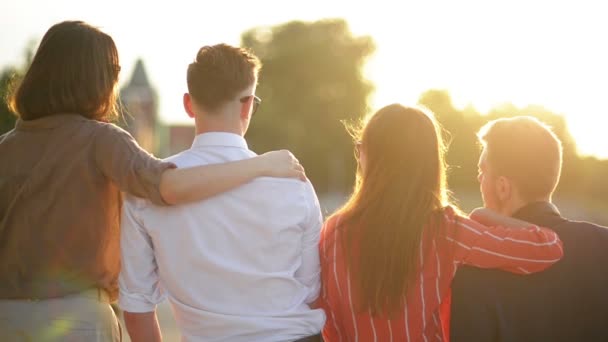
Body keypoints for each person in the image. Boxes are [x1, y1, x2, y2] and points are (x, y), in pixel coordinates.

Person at [0, 21, 304, 342]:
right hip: (75, 320)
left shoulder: (6, 146)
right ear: (94, 76)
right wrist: (260, 165)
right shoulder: (101, 140)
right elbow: (168, 187)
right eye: (114, 70)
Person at [118, 43, 325, 342]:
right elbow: (311, 289)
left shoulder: (146, 191)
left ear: (189, 105)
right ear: (248, 104)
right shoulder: (294, 183)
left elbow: (137, 309)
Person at [317, 104, 564, 342]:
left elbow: (329, 325)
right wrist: (483, 216)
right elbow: (547, 246)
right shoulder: (446, 230)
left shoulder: (333, 232)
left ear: (371, 156)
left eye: (362, 147)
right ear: (429, 164)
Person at [450, 116, 608, 342]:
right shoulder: (603, 246)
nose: (478, 178)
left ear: (503, 188)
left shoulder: (474, 266)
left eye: (482, 171)